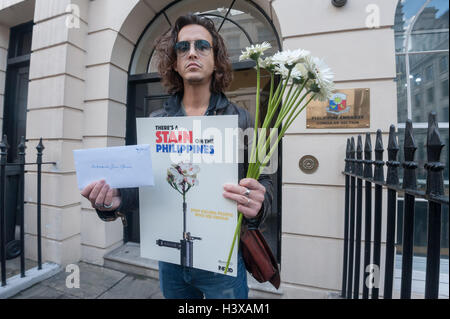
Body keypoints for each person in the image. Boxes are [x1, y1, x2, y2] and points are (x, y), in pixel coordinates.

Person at [81, 14, 273, 299]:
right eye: (182, 47)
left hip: (223, 262)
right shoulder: (157, 120)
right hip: (170, 260)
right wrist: (116, 199)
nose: (191, 52)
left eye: (201, 46)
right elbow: (147, 186)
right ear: (174, 61)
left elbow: (266, 184)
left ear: (216, 58)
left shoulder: (242, 118)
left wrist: (260, 202)